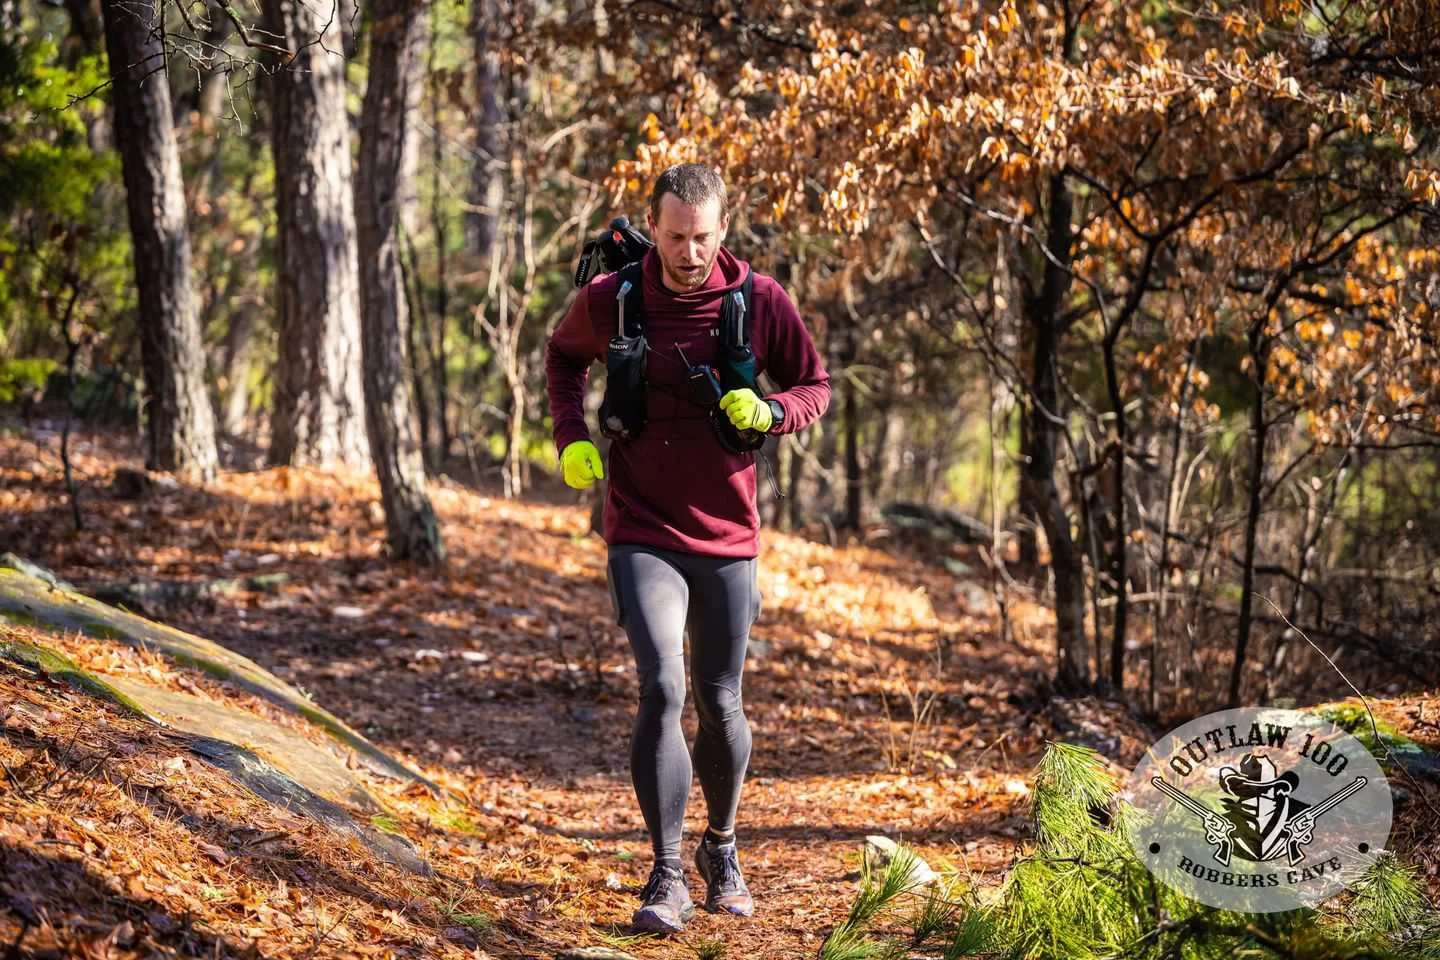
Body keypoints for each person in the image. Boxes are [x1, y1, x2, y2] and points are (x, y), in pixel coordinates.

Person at [544, 163, 831, 934]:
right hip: (641, 526)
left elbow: (814, 385)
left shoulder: (759, 300)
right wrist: (571, 437)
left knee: (722, 701)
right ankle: (665, 873)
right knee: (662, 690)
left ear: (722, 231)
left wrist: (770, 410)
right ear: (656, 227)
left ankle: (722, 848)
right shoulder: (616, 298)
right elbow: (562, 357)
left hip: (728, 536)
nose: (688, 252)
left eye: (702, 238)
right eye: (674, 237)